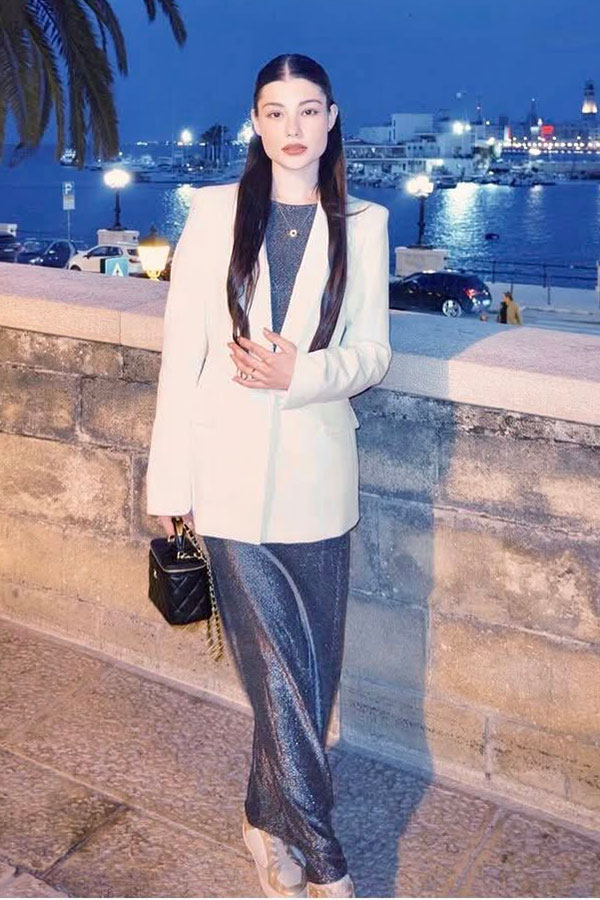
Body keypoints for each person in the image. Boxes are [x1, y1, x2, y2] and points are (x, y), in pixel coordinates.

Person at [145, 53, 392, 899]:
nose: (293, 128)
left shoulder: (365, 222)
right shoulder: (215, 212)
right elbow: (182, 353)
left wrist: (303, 373)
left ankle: (262, 817)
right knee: (278, 675)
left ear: (332, 119)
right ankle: (328, 862)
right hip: (226, 479)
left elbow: (374, 352)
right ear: (256, 122)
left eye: (308, 110)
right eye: (275, 111)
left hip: (319, 480)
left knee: (305, 678)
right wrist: (168, 485)